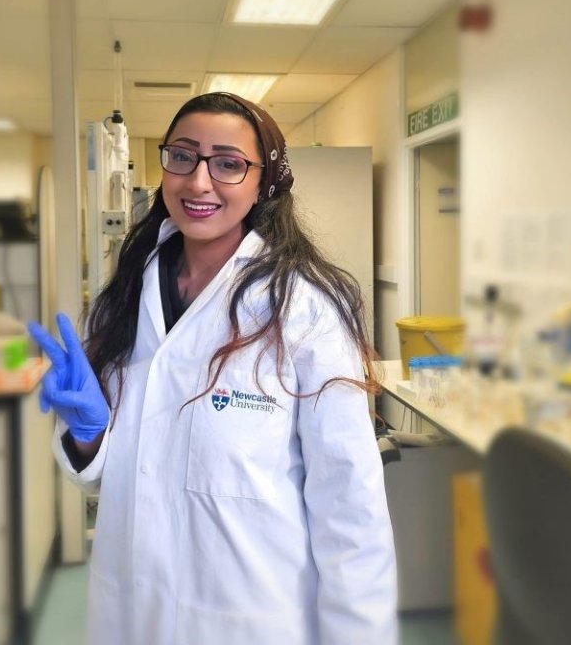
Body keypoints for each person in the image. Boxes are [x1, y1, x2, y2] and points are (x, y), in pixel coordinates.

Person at [28, 92, 398, 644]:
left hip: (251, 614)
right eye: (182, 156)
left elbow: (349, 503)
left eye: (227, 163)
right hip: (133, 609)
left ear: (263, 183)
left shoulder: (304, 308)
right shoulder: (126, 294)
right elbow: (132, 474)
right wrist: (90, 434)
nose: (199, 183)